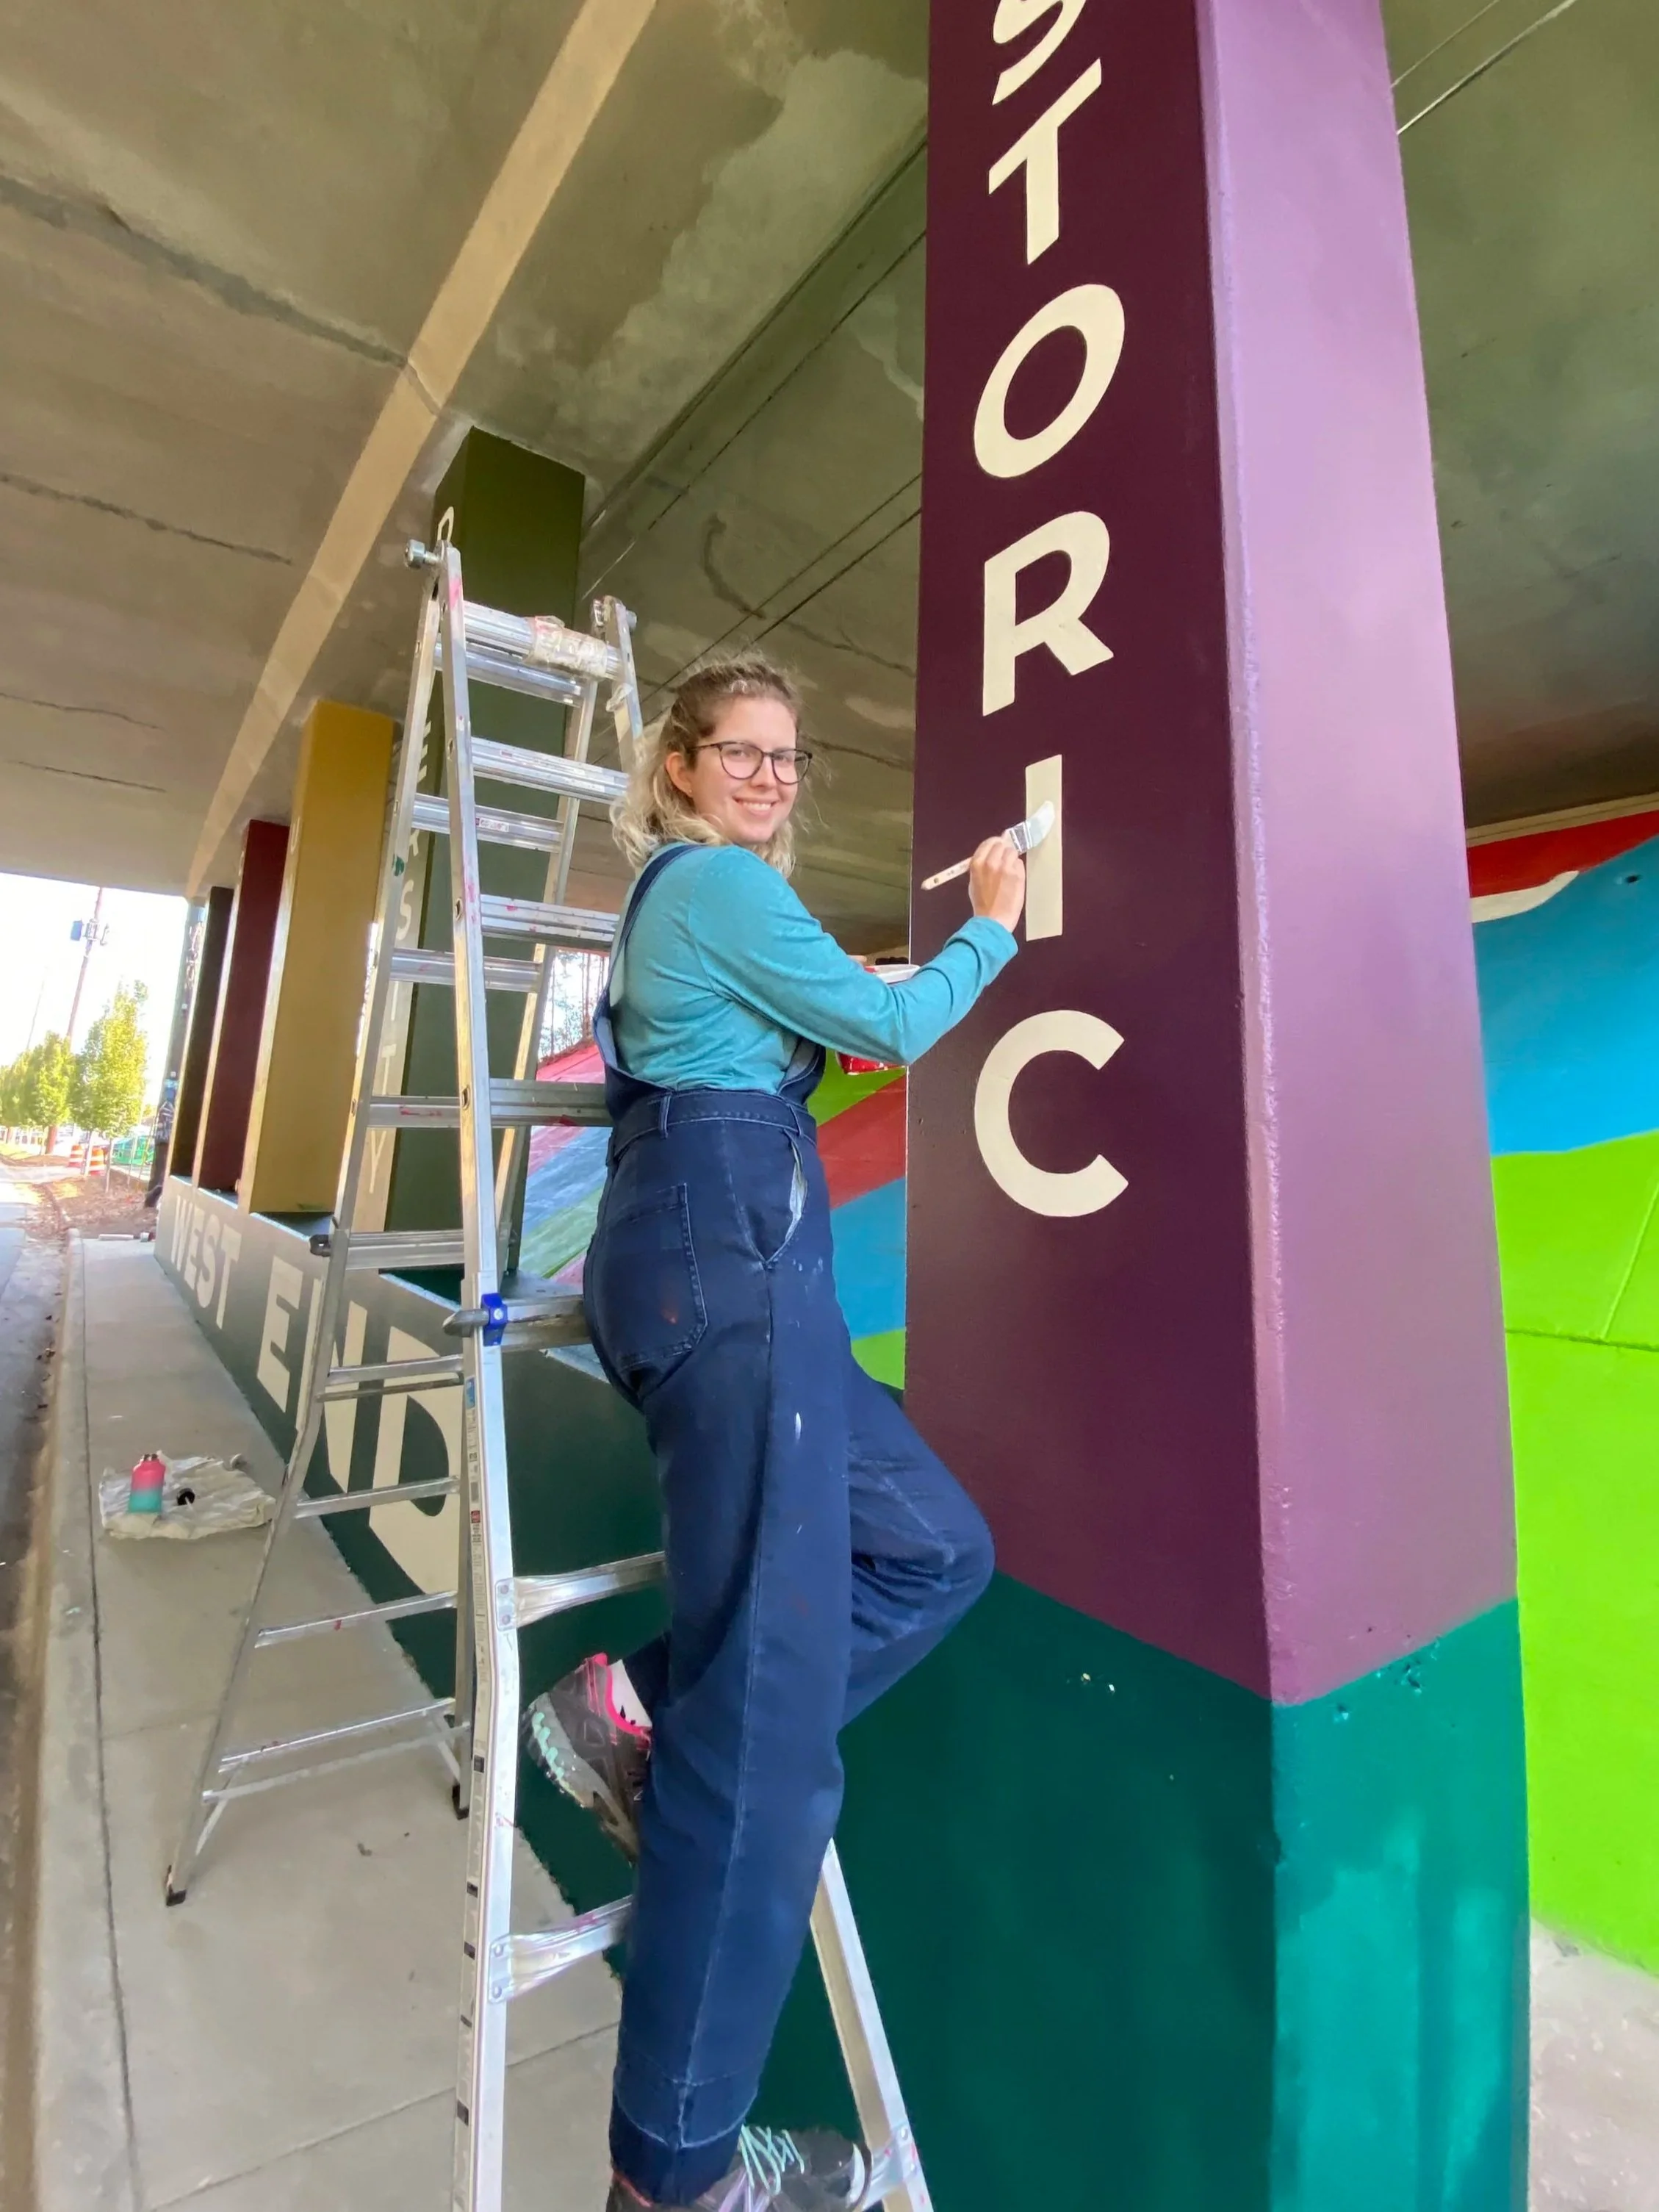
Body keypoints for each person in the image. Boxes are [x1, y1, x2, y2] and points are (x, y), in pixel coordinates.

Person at [524, 653, 1025, 2212]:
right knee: (763, 1752)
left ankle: (636, 1708)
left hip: (751, 1266)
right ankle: (672, 2174)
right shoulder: (714, 887)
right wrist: (995, 921)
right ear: (675, 767)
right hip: (723, 1253)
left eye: (787, 757)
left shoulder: (717, 906)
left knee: (936, 1546)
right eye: (737, 751)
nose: (768, 776)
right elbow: (883, 1023)